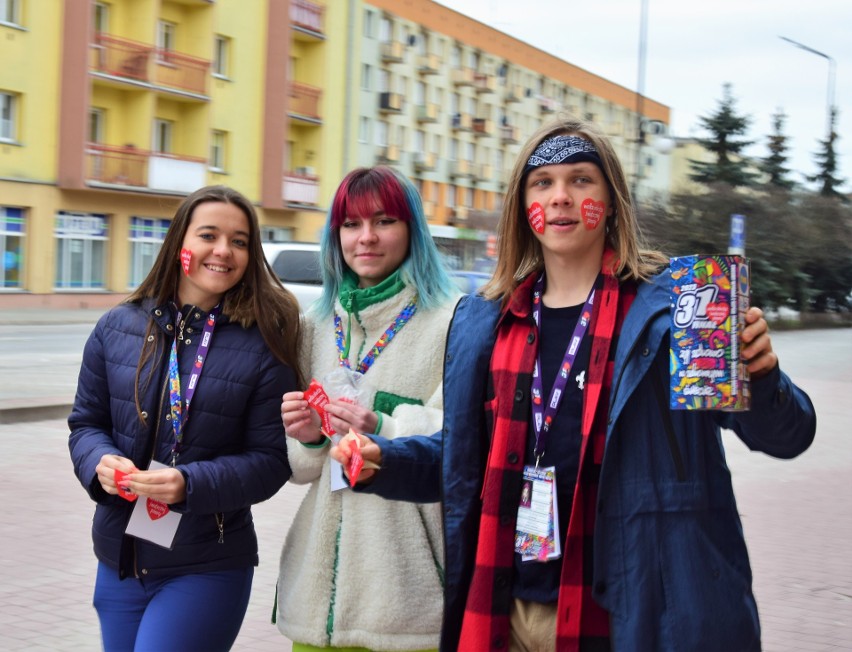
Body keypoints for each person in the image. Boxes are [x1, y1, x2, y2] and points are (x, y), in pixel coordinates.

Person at [332, 119, 817, 651]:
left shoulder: (683, 309)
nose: (560, 197)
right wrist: (386, 458)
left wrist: (764, 378)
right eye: (542, 183)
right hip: (505, 612)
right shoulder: (487, 321)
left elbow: (785, 436)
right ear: (523, 206)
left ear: (611, 202)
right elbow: (468, 461)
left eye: (581, 179)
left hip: (627, 615)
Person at [68, 185, 302, 651]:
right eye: (209, 235)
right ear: (181, 245)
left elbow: (272, 460)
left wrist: (188, 484)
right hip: (120, 557)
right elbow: (85, 423)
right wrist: (99, 461)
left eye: (239, 241)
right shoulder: (117, 325)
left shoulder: (265, 342)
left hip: (206, 562)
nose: (223, 250)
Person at [276, 166, 460, 651]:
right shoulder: (314, 327)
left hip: (407, 596)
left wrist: (383, 423)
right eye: (351, 224)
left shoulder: (453, 321)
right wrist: (312, 436)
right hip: (317, 604)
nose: (367, 238)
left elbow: (465, 439)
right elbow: (299, 467)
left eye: (384, 221)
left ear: (412, 230)